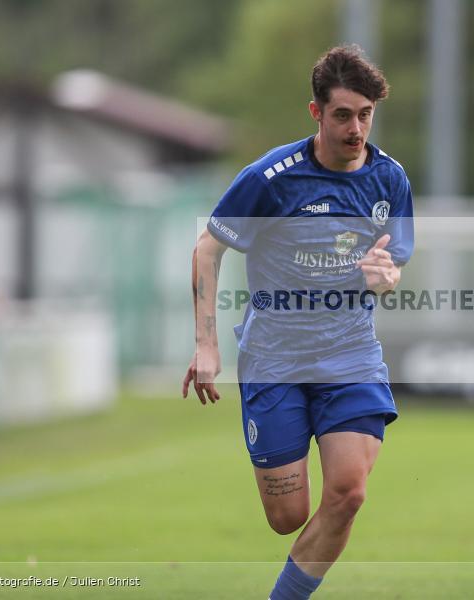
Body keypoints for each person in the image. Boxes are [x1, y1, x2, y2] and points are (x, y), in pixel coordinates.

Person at [181, 45, 413, 599]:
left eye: (365, 114)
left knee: (349, 494)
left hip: (350, 355)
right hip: (275, 360)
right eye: (342, 115)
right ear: (316, 112)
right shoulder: (271, 177)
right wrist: (206, 346)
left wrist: (387, 277)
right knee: (288, 516)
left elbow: (392, 264)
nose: (355, 128)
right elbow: (207, 248)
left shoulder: (390, 180)